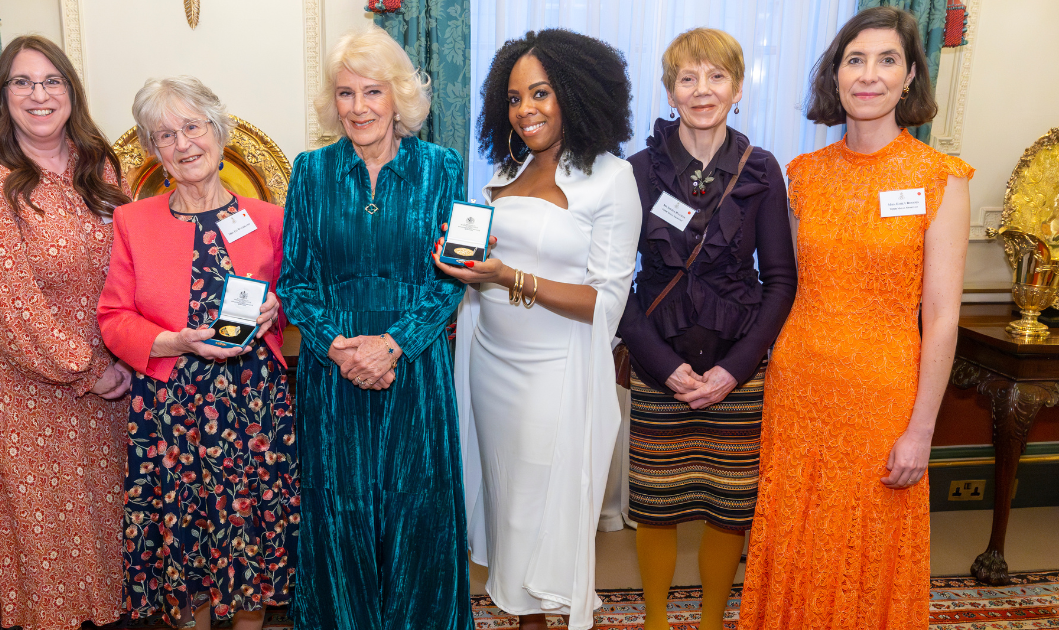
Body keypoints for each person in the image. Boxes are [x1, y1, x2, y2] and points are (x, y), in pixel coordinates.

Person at [738, 7, 973, 629]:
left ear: (911, 75)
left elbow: (944, 315)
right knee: (797, 539)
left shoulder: (939, 178)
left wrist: (922, 428)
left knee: (866, 549)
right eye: (855, 60)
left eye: (886, 60)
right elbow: (783, 286)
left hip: (882, 398)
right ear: (835, 76)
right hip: (799, 390)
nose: (869, 75)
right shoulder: (804, 176)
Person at [440, 29, 641, 630]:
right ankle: (524, 620)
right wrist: (465, 268)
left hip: (554, 376)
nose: (525, 110)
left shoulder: (611, 179)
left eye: (541, 94)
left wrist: (507, 275)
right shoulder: (504, 170)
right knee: (507, 514)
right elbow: (480, 266)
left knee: (539, 516)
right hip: (488, 364)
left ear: (576, 95)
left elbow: (606, 303)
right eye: (513, 97)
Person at [276, 27, 472, 630]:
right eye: (345, 94)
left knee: (418, 514)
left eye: (372, 92)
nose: (358, 108)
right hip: (332, 375)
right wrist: (341, 349)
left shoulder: (443, 167)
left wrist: (391, 346)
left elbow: (453, 275)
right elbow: (294, 281)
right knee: (340, 516)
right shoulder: (308, 172)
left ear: (400, 97)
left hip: (414, 370)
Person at [0, 35, 132, 630]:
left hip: (110, 377)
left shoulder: (99, 164)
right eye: (23, 82)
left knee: (107, 515)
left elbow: (136, 261)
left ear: (71, 93)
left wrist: (136, 346)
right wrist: (87, 368)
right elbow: (7, 302)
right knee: (47, 529)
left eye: (52, 81)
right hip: (26, 384)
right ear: (3, 96)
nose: (39, 94)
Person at [97, 77, 297, 630]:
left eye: (193, 126)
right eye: (166, 134)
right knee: (184, 538)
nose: (183, 143)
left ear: (219, 132)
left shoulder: (270, 220)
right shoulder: (132, 221)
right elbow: (114, 319)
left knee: (249, 537)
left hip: (254, 407)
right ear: (151, 149)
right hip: (172, 409)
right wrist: (175, 341)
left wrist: (277, 306)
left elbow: (296, 302)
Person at [616, 28, 797, 630]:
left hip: (737, 368)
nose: (702, 90)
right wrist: (664, 368)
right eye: (688, 78)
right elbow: (616, 282)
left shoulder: (762, 169)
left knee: (728, 508)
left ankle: (716, 620)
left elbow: (779, 279)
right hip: (658, 360)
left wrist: (733, 370)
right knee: (658, 506)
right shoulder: (635, 171)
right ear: (670, 91)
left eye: (716, 76)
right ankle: (658, 623)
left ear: (737, 88)